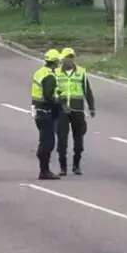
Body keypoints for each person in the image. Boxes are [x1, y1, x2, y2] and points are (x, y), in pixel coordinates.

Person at [55, 47, 95, 176]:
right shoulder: (56, 72)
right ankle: (63, 167)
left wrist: (91, 107)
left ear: (72, 59)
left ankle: (76, 165)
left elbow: (87, 91)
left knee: (79, 138)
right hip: (61, 111)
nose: (65, 61)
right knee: (62, 139)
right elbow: (53, 91)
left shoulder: (81, 72)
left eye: (68, 58)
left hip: (77, 109)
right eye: (64, 59)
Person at [31, 49, 62, 180]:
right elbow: (49, 96)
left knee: (44, 140)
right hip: (45, 112)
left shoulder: (40, 72)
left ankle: (44, 169)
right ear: (55, 62)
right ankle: (44, 171)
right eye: (58, 61)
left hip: (38, 111)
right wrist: (59, 101)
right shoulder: (49, 76)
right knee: (48, 142)